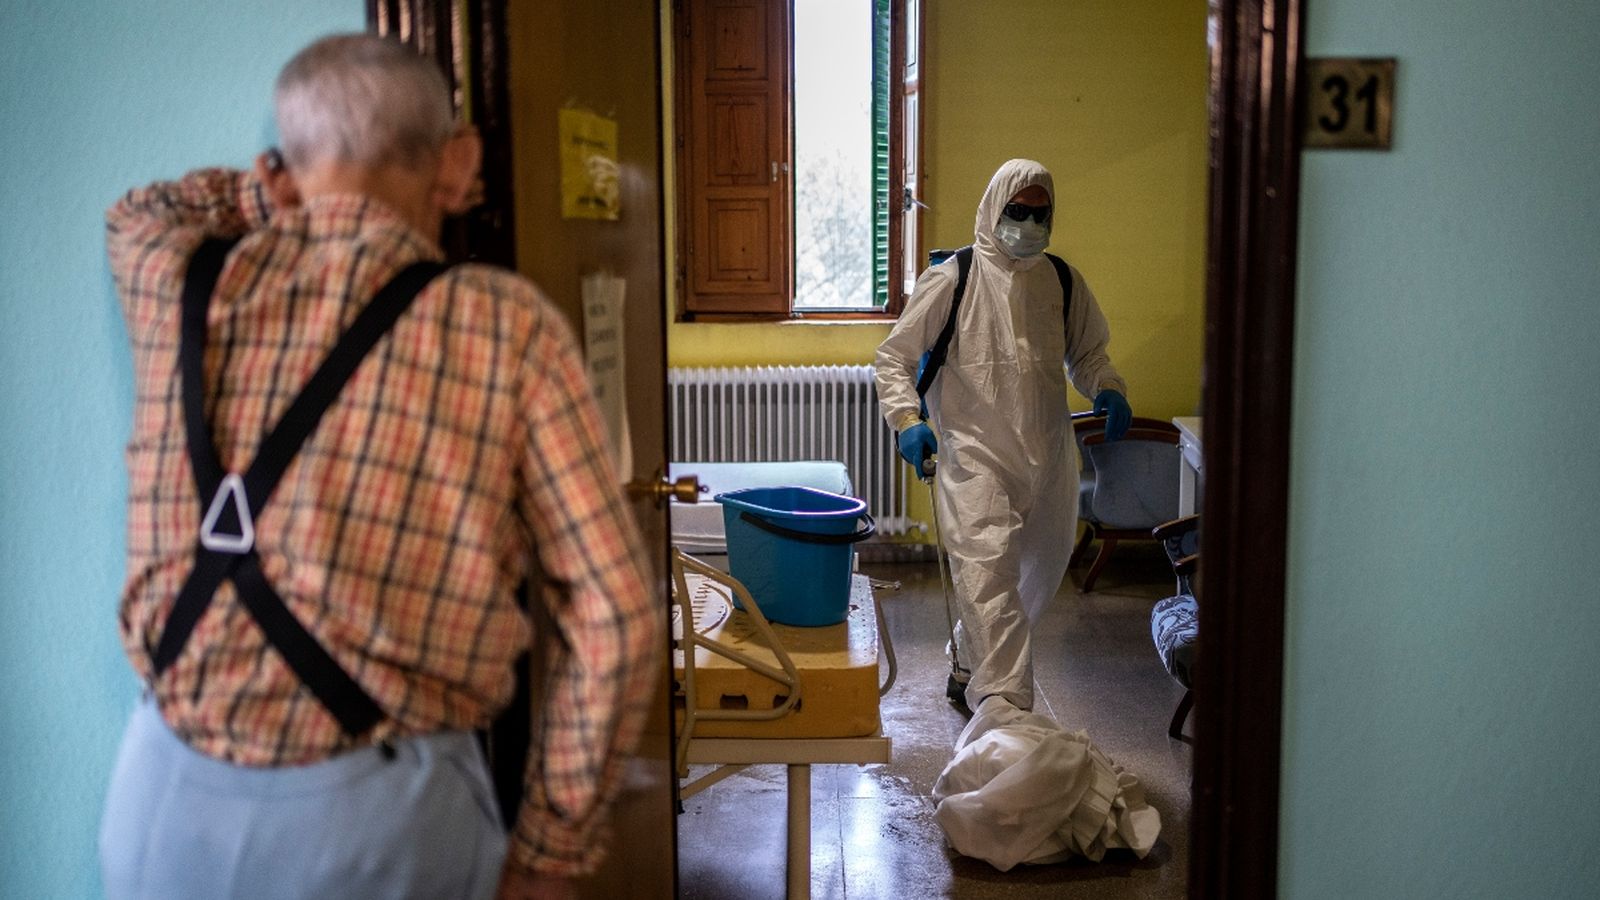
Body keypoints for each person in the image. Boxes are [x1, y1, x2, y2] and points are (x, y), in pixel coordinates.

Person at [98, 34, 661, 899]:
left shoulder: (179, 278)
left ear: (284, 166)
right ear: (460, 160)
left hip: (160, 799)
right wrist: (550, 855)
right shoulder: (505, 326)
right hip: (375, 827)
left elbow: (141, 209)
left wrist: (273, 187)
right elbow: (616, 615)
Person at [874, 158, 1130, 713]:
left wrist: (1105, 386)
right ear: (994, 208)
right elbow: (894, 358)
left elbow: (1087, 353)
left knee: (1031, 580)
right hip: (975, 457)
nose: (1030, 225)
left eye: (1041, 214)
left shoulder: (1061, 280)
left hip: (1048, 458)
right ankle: (1006, 715)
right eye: (1018, 212)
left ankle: (970, 663)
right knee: (987, 578)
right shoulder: (953, 279)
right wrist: (907, 420)